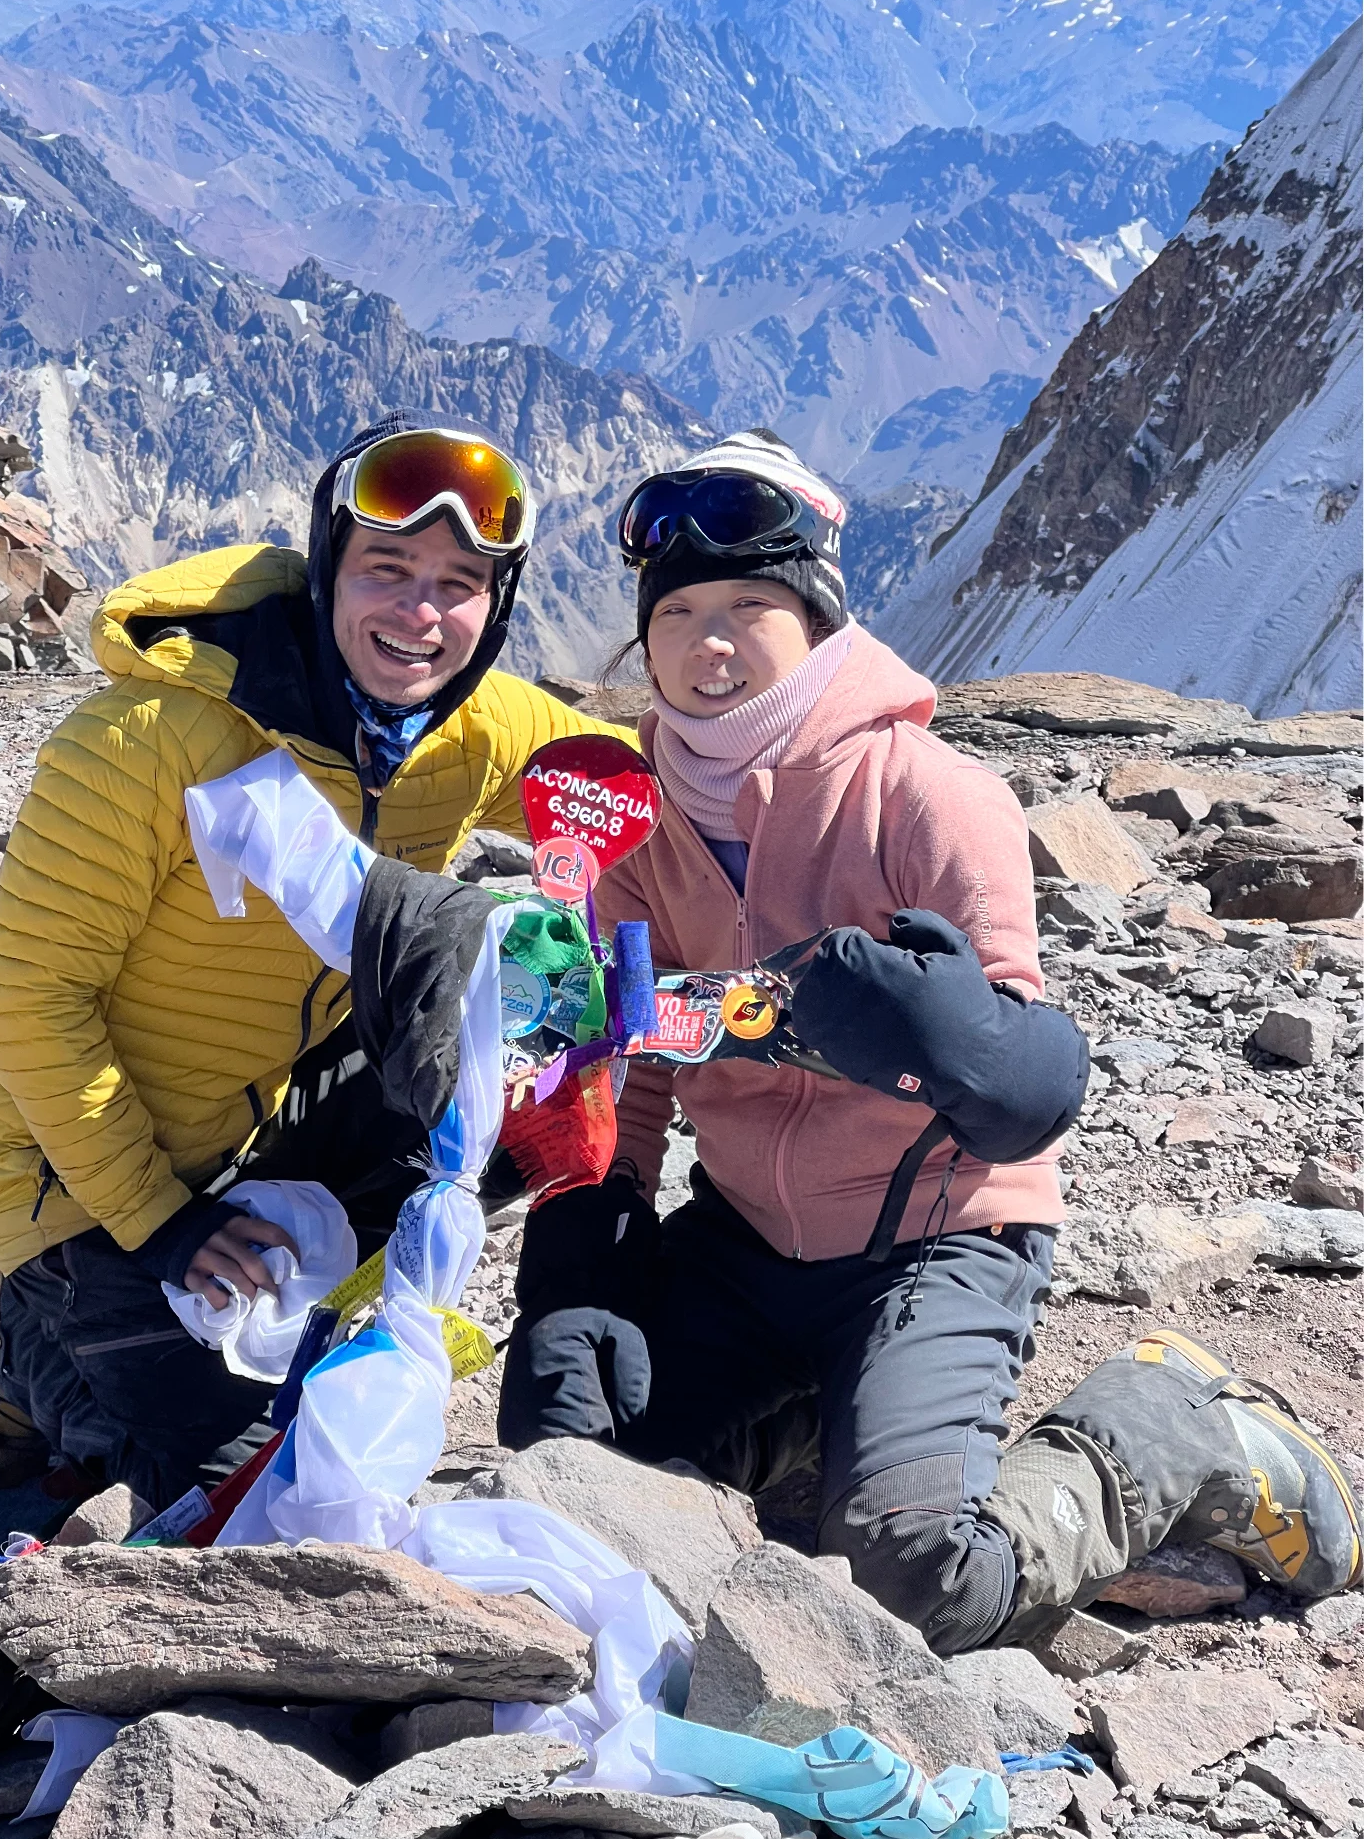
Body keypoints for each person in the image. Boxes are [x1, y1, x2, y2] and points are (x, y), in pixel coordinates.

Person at [499, 429, 1361, 1649]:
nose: (707, 643)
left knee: (913, 1578)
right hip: (748, 1236)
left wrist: (947, 1035)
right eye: (679, 611)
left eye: (749, 607)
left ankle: (1174, 1429)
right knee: (573, 1478)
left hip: (938, 1235)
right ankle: (824, 1422)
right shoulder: (628, 811)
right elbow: (621, 1055)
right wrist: (588, 1241)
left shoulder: (926, 791)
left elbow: (1017, 1086)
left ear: (815, 618)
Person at [0, 413, 629, 1508]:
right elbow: (21, 993)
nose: (421, 614)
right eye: (387, 569)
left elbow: (631, 788)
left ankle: (265, 1295)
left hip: (264, 1120)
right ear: (325, 570)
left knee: (507, 1070)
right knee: (230, 1486)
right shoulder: (153, 736)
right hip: (82, 1179)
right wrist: (161, 1222)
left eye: (459, 583)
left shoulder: (468, 724)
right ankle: (21, 1335)